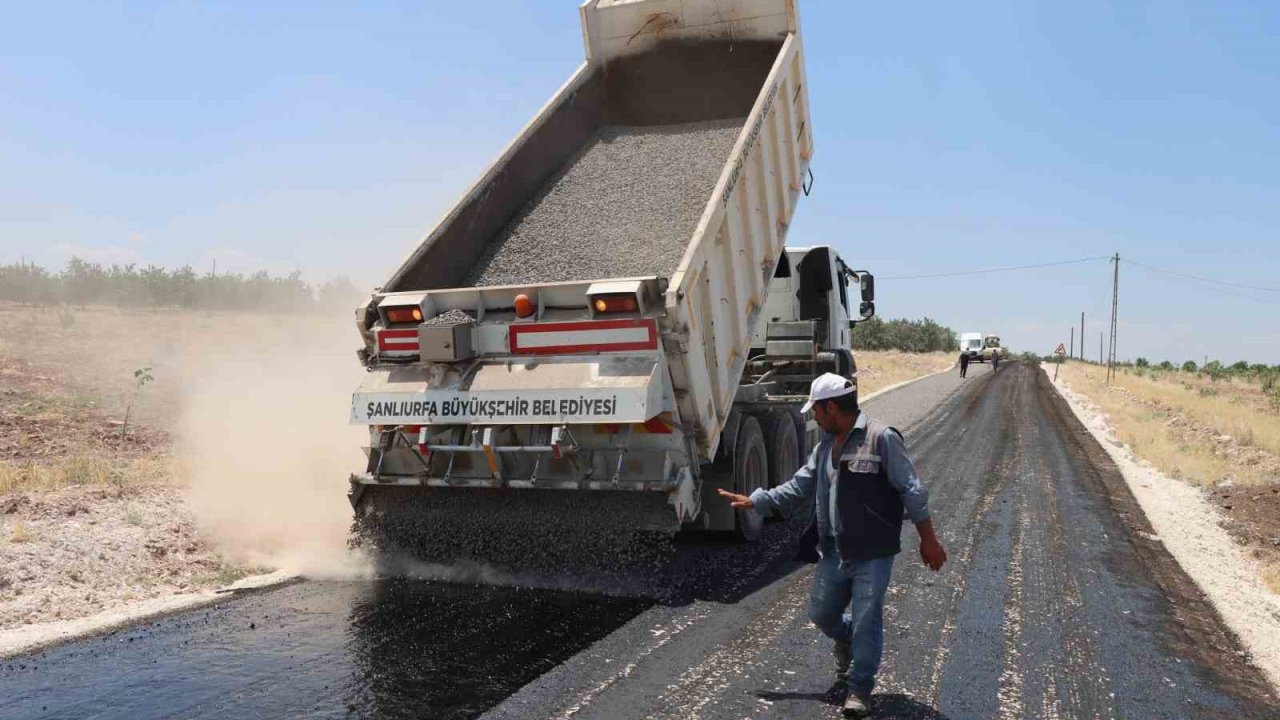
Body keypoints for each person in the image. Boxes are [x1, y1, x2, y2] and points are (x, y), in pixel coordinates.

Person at [719, 373, 947, 718]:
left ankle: (859, 688)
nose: (813, 418)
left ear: (831, 408)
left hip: (873, 552)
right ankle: (846, 639)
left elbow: (912, 489)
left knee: (868, 618)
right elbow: (799, 487)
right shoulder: (824, 446)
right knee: (822, 615)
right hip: (833, 550)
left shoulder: (881, 438)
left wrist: (928, 540)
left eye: (816, 411)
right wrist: (757, 501)